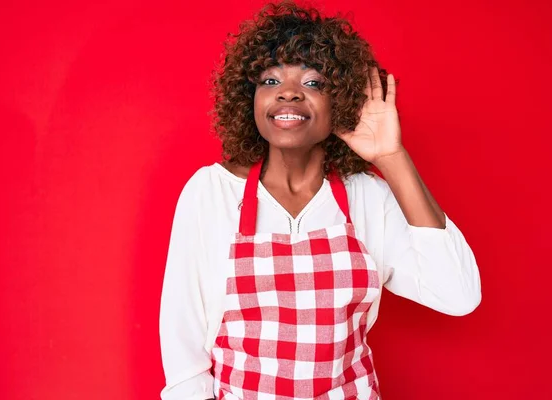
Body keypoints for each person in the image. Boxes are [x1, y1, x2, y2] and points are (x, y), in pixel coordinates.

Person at [159, 2, 482, 399]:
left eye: (313, 83)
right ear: (250, 99)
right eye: (270, 80)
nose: (289, 92)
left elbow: (458, 295)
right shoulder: (210, 193)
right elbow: (183, 350)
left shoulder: (366, 196)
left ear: (342, 102)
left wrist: (391, 157)